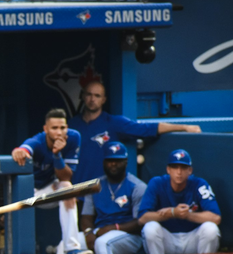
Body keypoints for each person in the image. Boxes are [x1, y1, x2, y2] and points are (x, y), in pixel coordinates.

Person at [68, 79, 201, 185]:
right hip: (75, 191)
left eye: (97, 96)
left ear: (104, 100)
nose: (92, 99)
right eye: (89, 94)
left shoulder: (113, 123)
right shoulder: (71, 126)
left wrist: (184, 127)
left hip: (102, 193)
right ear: (82, 96)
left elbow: (147, 129)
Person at [12, 108, 92, 254]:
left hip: (50, 189)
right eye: (54, 128)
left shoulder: (74, 137)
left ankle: (72, 249)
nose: (59, 132)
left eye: (63, 127)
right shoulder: (37, 141)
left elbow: (66, 176)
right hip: (28, 192)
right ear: (46, 129)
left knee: (67, 188)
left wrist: (57, 155)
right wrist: (20, 150)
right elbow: (25, 148)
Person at [56, 142, 146, 254]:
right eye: (110, 160)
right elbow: (86, 217)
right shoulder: (95, 185)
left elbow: (139, 222)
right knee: (64, 245)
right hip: (99, 231)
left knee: (102, 243)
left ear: (126, 162)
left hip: (128, 235)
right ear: (104, 163)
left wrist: (114, 228)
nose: (113, 164)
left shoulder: (137, 186)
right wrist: (88, 233)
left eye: (118, 161)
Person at [138, 149, 222, 254]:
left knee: (211, 229)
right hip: (167, 239)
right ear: (168, 169)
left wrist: (187, 215)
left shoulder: (199, 184)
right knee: (150, 228)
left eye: (183, 168)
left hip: (192, 239)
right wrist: (172, 213)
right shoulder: (157, 183)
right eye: (175, 167)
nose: (179, 172)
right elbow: (142, 218)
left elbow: (216, 218)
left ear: (190, 170)